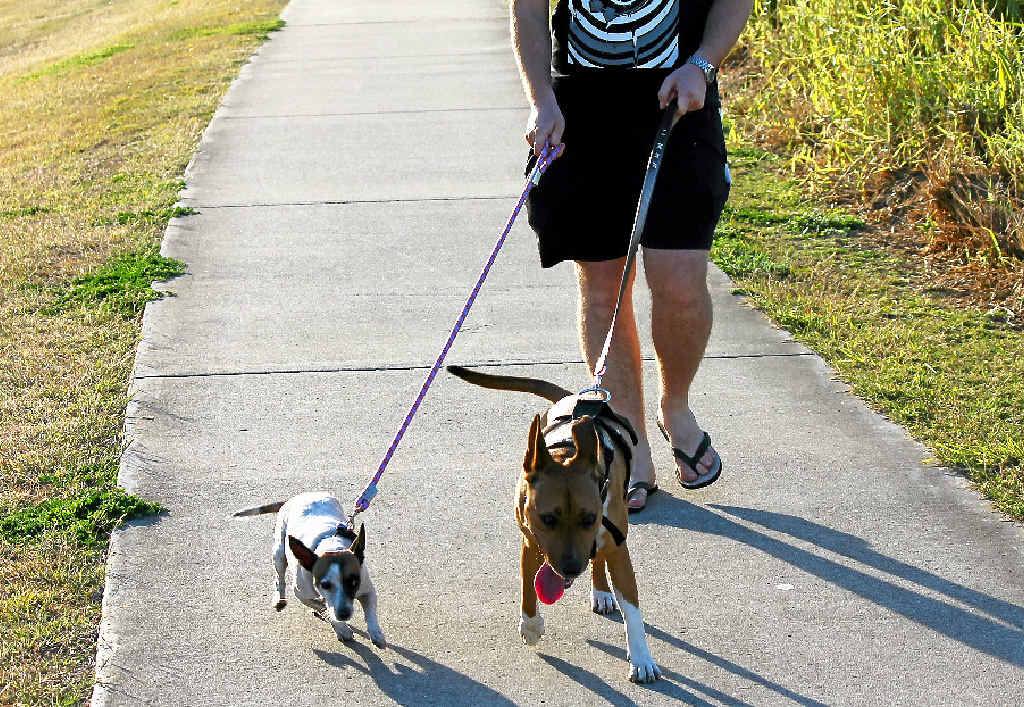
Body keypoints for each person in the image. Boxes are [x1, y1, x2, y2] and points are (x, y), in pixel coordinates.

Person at [511, 0, 753, 510]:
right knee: (604, 285)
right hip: (581, 108)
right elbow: (529, 10)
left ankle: (676, 405)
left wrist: (702, 64)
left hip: (679, 96)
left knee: (682, 283)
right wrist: (542, 100)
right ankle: (629, 443)